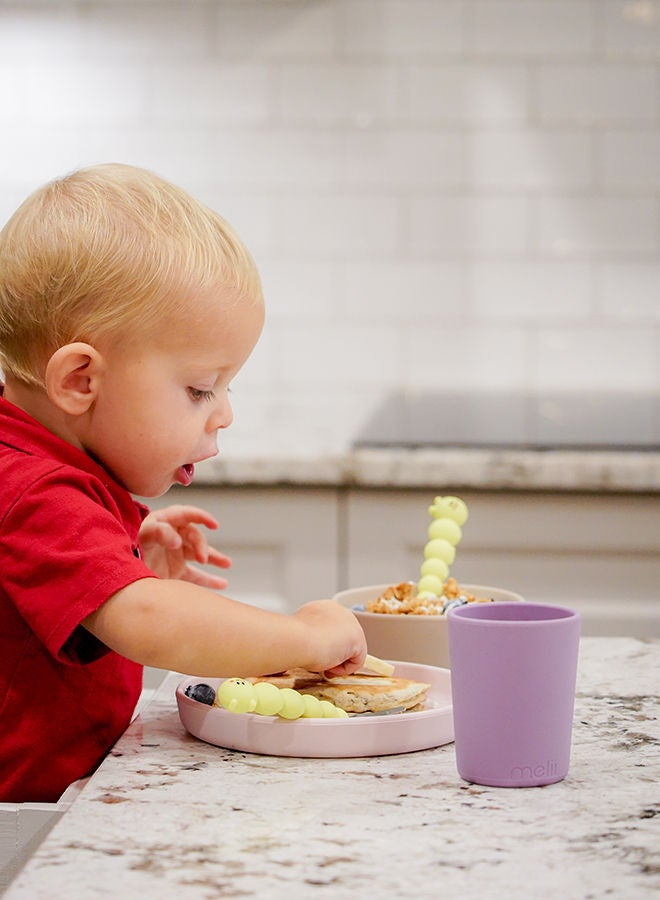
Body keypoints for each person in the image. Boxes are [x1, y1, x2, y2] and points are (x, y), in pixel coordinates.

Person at [0, 164, 366, 802]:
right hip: (21, 842)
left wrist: (117, 552)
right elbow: (145, 619)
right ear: (80, 380)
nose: (224, 413)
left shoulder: (31, 472)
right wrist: (303, 638)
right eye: (200, 388)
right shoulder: (36, 492)